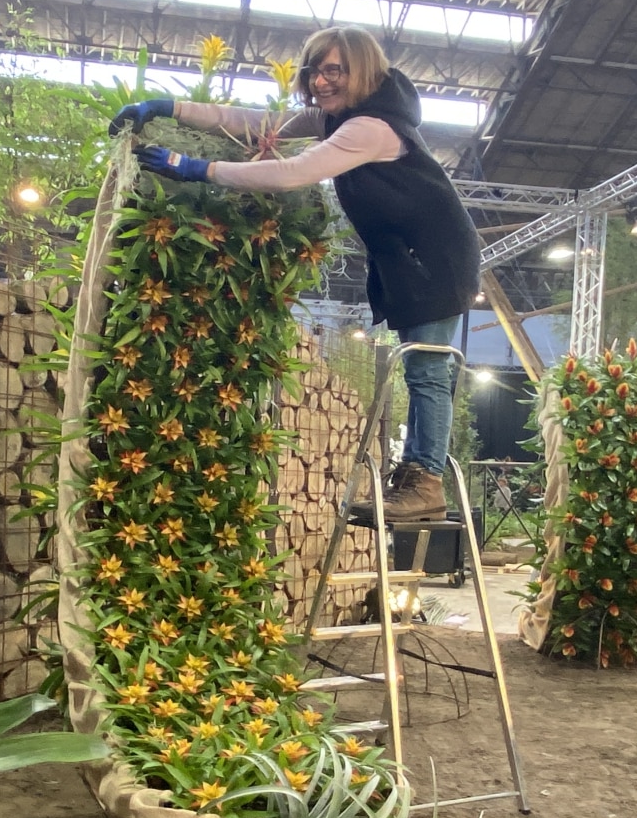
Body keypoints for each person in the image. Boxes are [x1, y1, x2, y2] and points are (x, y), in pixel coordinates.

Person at [108, 26, 482, 523]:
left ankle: (425, 482)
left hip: (436, 258)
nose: (321, 81)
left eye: (334, 70)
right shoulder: (336, 115)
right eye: (314, 70)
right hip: (407, 258)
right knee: (418, 368)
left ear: (362, 69)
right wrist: (170, 108)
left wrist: (197, 168)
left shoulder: (371, 127)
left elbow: (292, 172)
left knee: (427, 371)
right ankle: (415, 475)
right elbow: (261, 123)